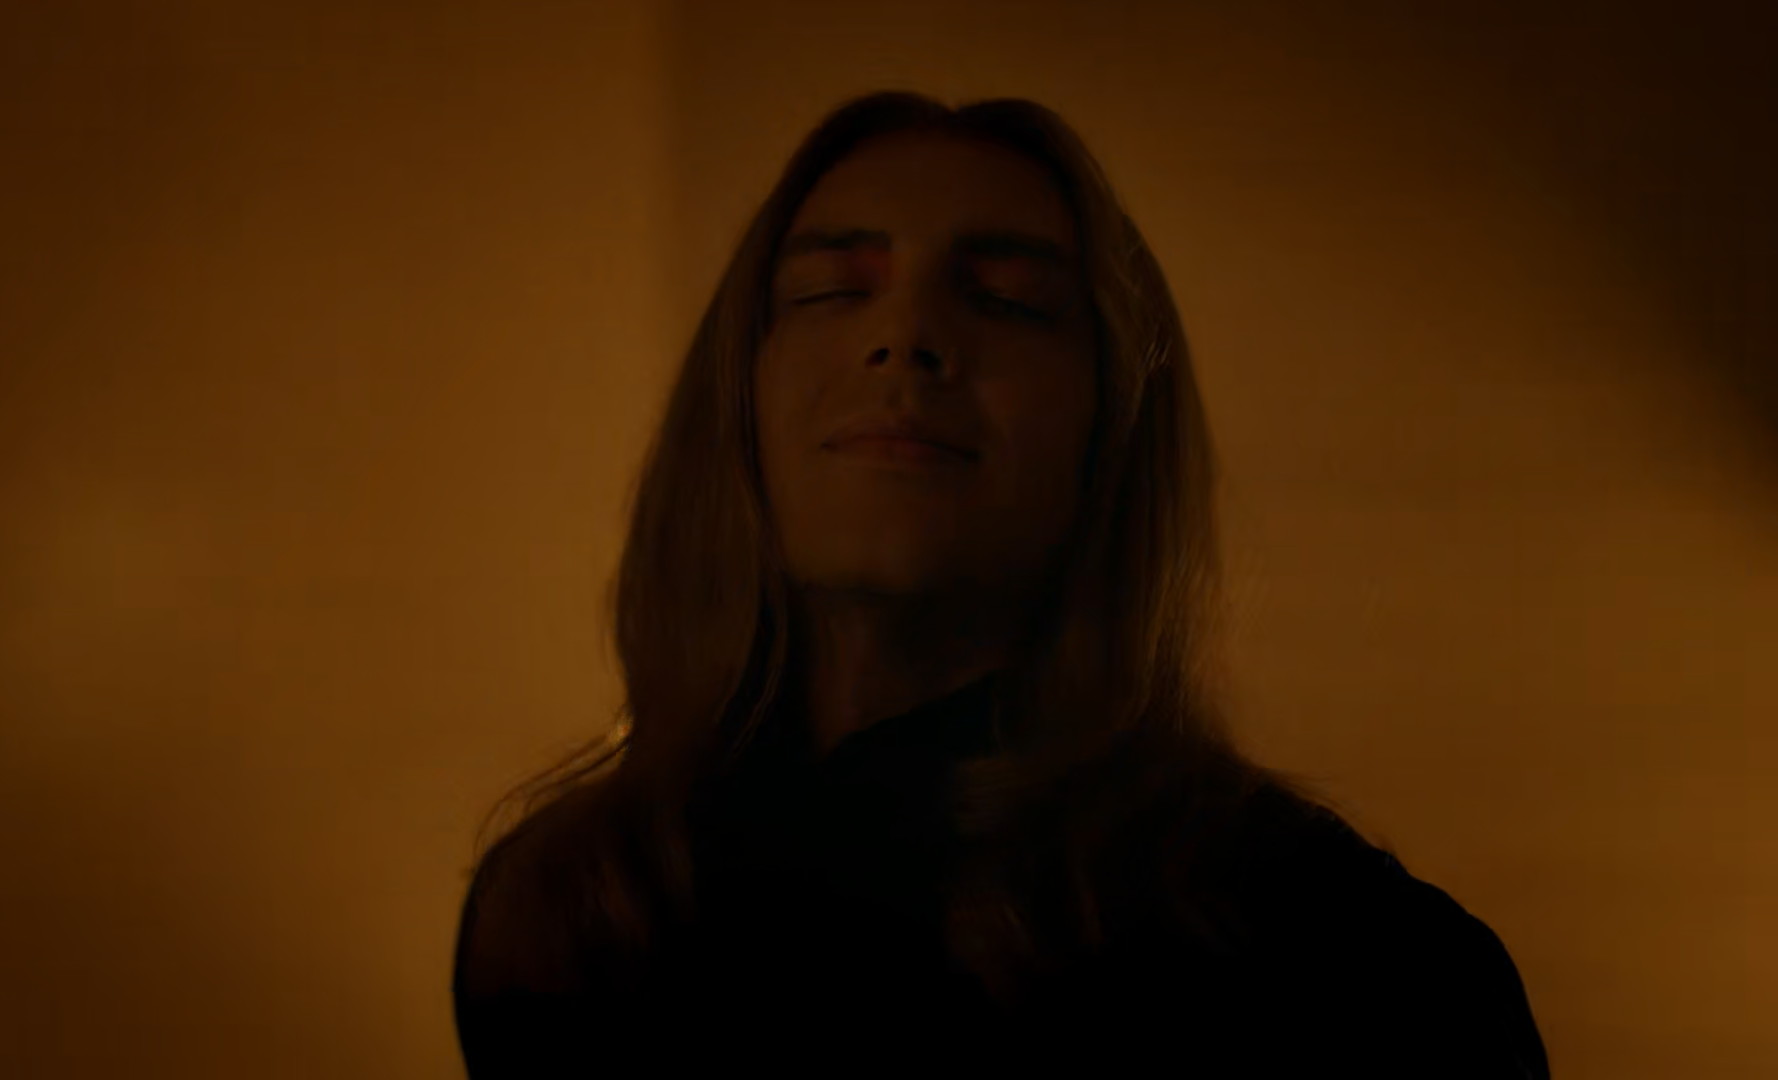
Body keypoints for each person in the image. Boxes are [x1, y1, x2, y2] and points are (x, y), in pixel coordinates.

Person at [451, 90, 1550, 1077]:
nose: (907, 335)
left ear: (1111, 428)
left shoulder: (1340, 962)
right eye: (831, 289)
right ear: (736, 393)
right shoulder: (569, 916)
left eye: (1012, 301)